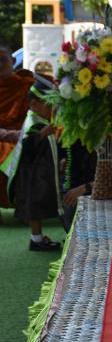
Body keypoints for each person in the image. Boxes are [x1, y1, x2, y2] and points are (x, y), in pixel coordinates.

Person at [0, 75, 63, 251]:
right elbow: (28, 145)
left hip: (40, 173)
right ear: (34, 104)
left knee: (41, 206)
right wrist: (43, 134)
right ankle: (36, 239)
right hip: (33, 176)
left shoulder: (40, 119)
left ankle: (39, 238)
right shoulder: (33, 123)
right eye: (48, 105)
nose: (52, 109)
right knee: (35, 207)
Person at [61, 138, 112, 228]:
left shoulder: (111, 134)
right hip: (72, 193)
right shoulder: (70, 134)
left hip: (103, 193)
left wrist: (83, 189)